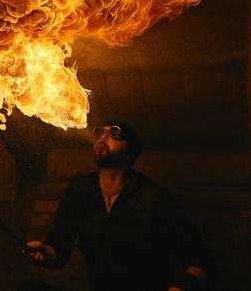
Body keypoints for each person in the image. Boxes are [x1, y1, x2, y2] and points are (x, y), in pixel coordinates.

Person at [23, 121, 209, 291]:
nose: (103, 136)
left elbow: (199, 262)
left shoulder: (154, 198)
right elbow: (58, 253)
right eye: (100, 132)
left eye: (115, 132)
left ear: (130, 151)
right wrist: (44, 253)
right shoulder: (80, 191)